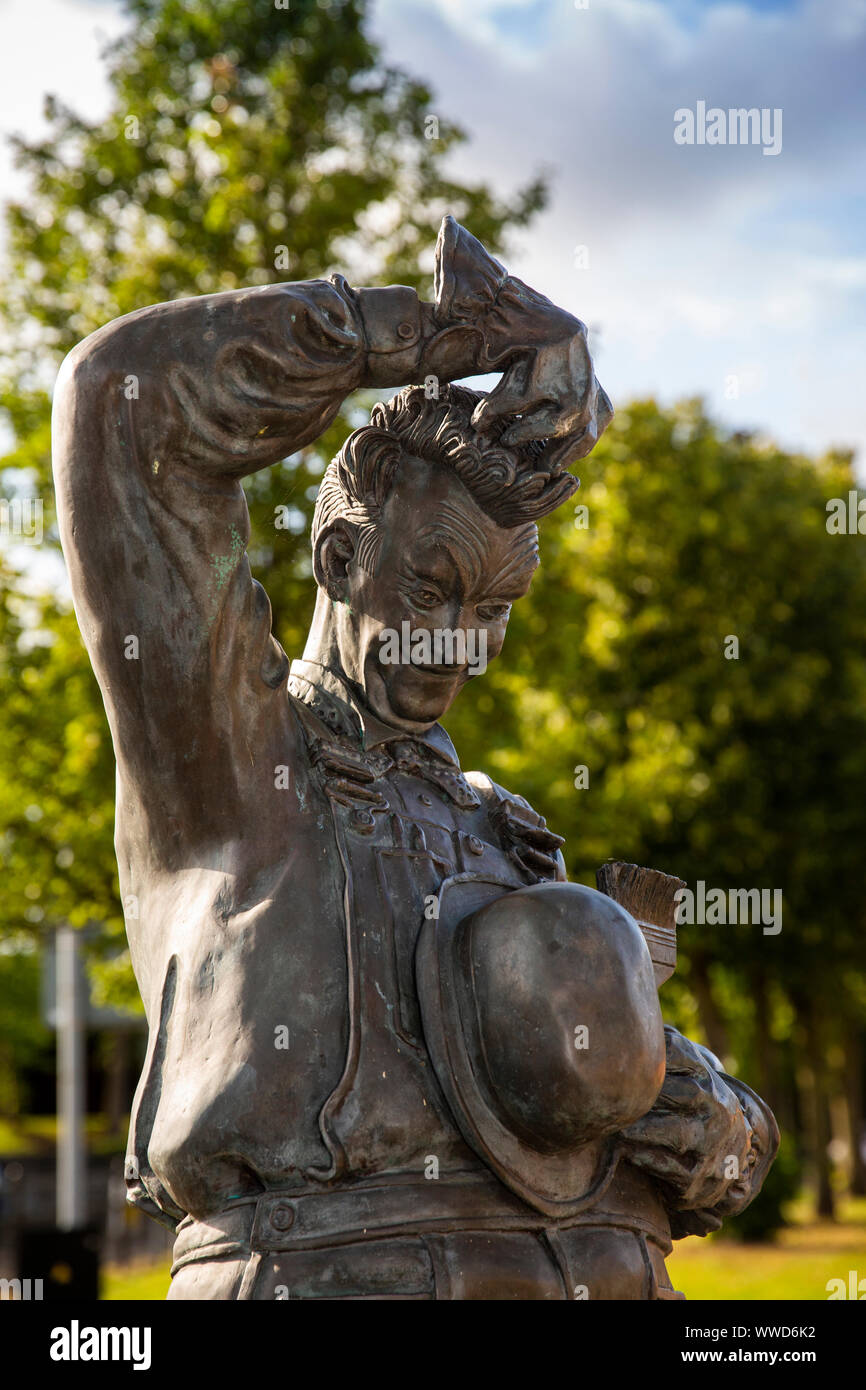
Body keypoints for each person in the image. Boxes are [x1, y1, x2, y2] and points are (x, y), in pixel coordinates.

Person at [52, 216, 777, 1299]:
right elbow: (125, 404)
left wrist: (716, 1125)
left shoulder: (507, 829)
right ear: (340, 555)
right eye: (432, 591)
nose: (466, 645)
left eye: (494, 608)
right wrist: (437, 329)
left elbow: (673, 1108)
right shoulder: (230, 752)